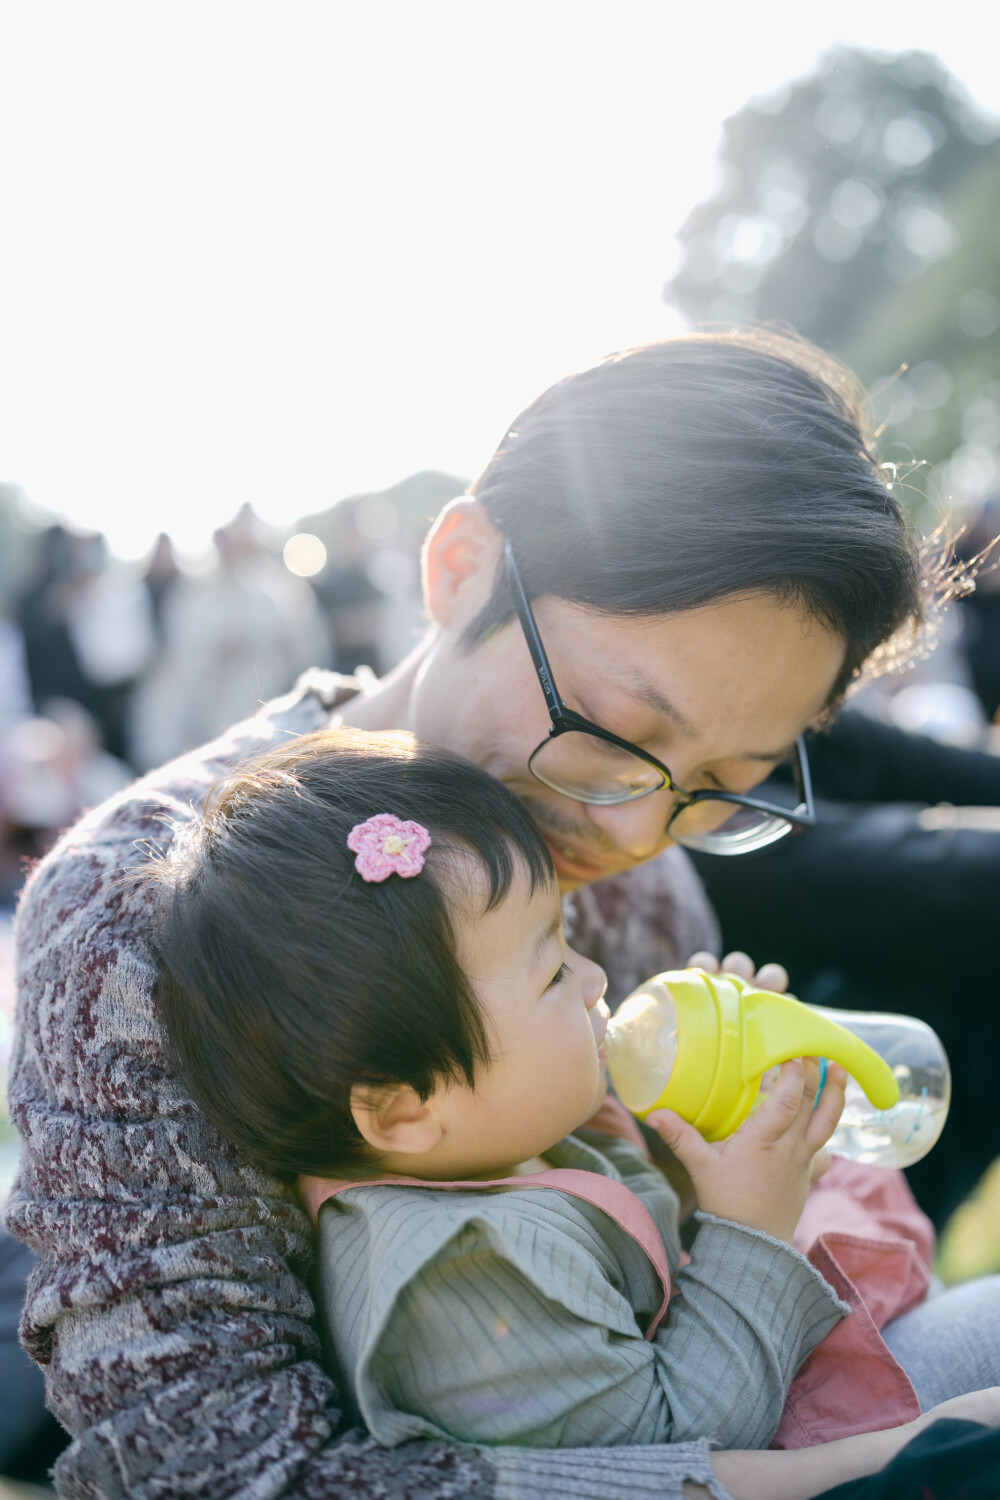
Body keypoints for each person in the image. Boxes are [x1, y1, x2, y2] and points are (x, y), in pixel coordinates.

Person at [6, 329, 990, 1497]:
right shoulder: (138, 919)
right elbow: (218, 1473)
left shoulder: (634, 865)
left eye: (723, 782)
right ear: (461, 566)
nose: (632, 837)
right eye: (618, 729)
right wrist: (853, 1472)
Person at [141, 727, 1000, 1458]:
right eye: (554, 969)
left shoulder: (500, 1126)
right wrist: (750, 1228)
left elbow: (645, 1229)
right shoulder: (453, 1280)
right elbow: (677, 1448)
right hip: (793, 1443)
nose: (597, 980)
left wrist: (707, 1113)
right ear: (402, 1107)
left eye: (570, 940)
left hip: (802, 1386)